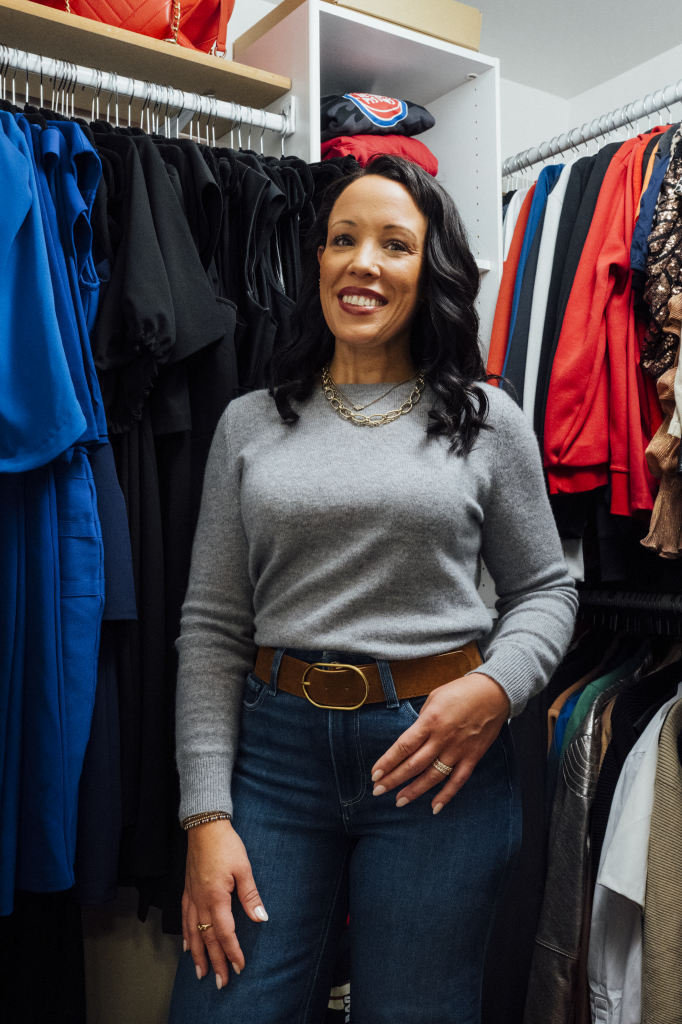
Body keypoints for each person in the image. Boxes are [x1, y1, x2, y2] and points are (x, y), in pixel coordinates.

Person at [168, 155, 577, 1024]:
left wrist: (494, 689)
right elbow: (210, 628)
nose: (364, 263)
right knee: (223, 1009)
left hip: (436, 761)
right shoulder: (250, 421)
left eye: (395, 244)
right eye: (343, 240)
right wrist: (206, 815)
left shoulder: (485, 418)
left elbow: (546, 589)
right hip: (273, 762)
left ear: (428, 270)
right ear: (316, 260)